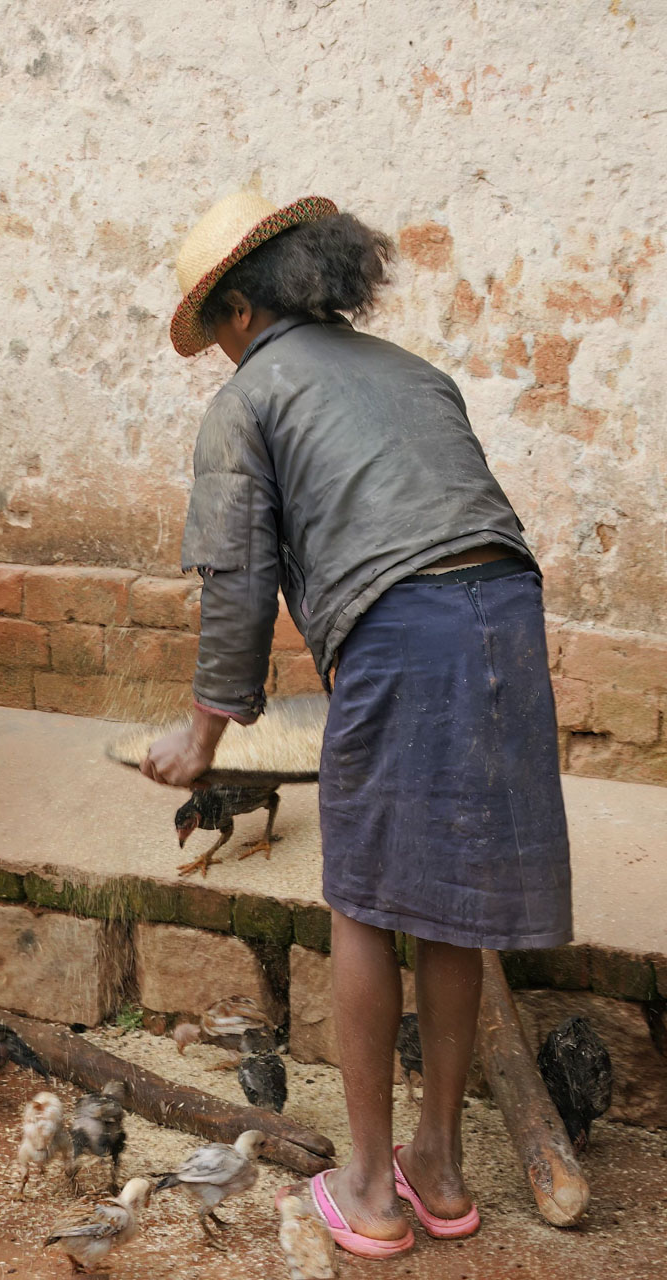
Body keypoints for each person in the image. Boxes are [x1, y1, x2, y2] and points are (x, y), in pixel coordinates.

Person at [143, 192, 572, 1260]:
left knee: (368, 904)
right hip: (507, 618)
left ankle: (373, 1188)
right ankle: (441, 1166)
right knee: (453, 907)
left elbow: (236, 582)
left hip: (403, 629)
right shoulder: (415, 372)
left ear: (241, 308)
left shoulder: (248, 399)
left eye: (217, 327)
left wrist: (203, 737)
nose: (222, 349)